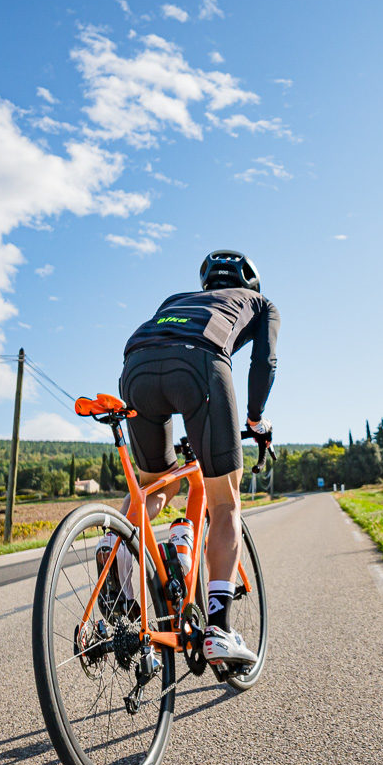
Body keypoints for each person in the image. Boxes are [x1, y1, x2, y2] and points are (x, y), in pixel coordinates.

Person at [101, 249, 279, 666]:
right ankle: (218, 628)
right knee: (224, 502)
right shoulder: (261, 304)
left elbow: (161, 350)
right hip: (199, 363)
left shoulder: (174, 300)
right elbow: (264, 361)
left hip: (136, 366)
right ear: (249, 283)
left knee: (154, 486)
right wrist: (254, 419)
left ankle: (116, 551)